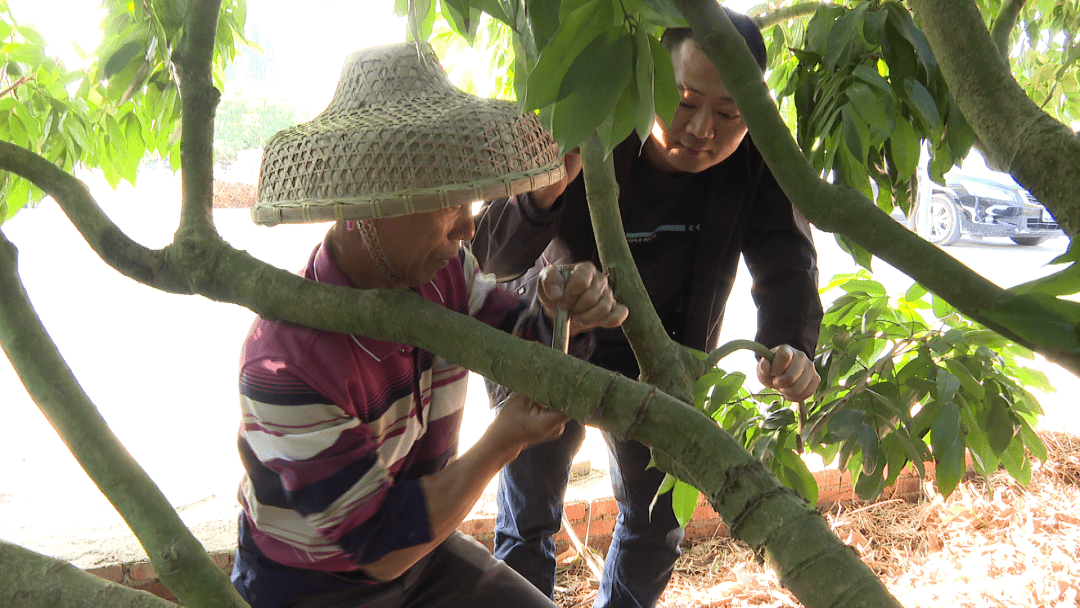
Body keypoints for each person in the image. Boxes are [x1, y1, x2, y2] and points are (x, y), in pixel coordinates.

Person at [230, 43, 629, 608]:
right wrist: (502, 440)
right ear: (371, 203)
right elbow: (378, 544)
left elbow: (527, 350)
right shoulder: (282, 361)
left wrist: (563, 312)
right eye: (448, 201)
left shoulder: (446, 277)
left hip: (422, 548)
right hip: (312, 584)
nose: (470, 226)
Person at [469, 9, 824, 608]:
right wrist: (543, 193)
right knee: (527, 524)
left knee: (657, 526)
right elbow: (488, 258)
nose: (704, 130)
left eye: (731, 114)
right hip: (550, 350)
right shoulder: (591, 123)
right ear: (650, 80)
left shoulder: (755, 158)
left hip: (660, 364)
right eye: (685, 103)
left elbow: (787, 260)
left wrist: (791, 346)